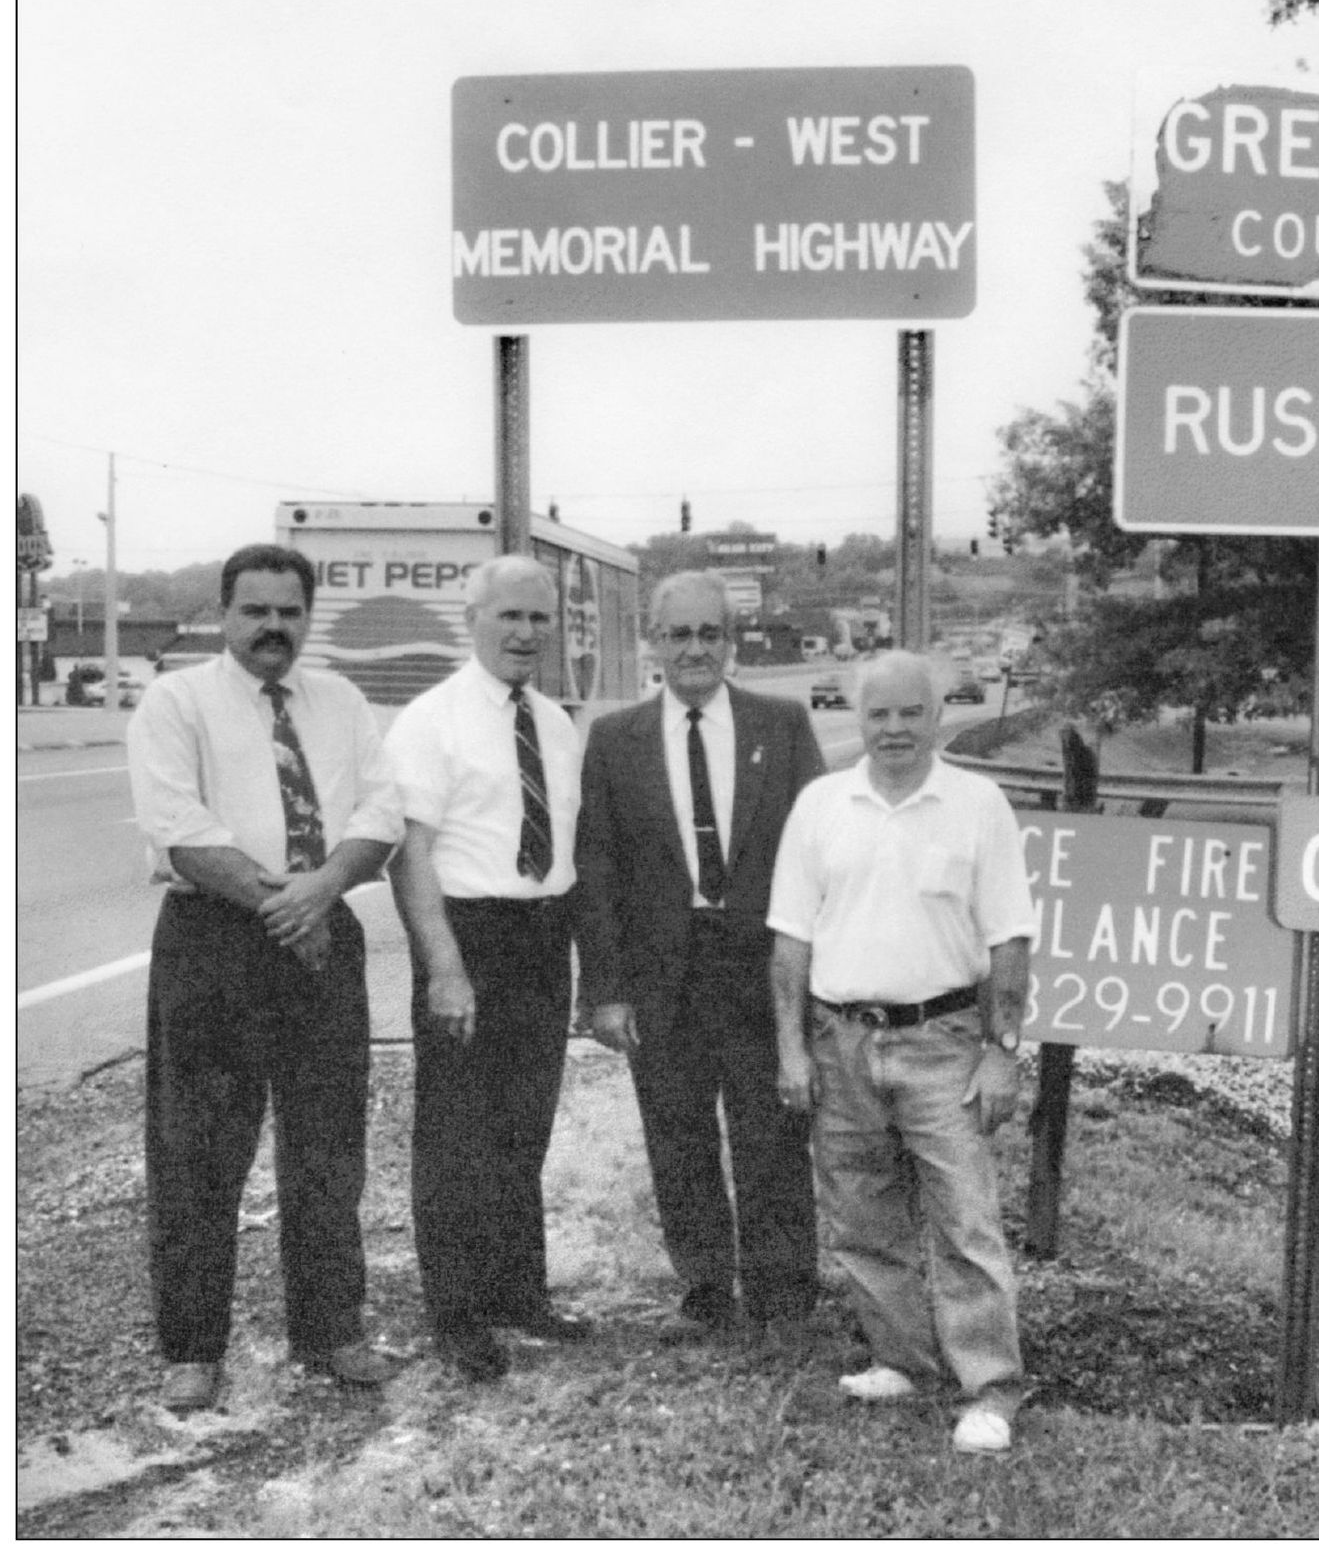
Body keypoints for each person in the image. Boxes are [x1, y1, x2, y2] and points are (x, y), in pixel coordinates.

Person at [127, 543, 403, 1413]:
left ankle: (330, 1330)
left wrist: (324, 889)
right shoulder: (176, 702)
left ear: (307, 617)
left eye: (289, 611)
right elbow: (181, 828)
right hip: (213, 943)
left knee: (327, 1149)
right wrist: (288, 911)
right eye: (256, 610)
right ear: (223, 613)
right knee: (198, 1153)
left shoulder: (342, 702)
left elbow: (380, 811)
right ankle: (193, 1349)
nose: (273, 627)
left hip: (323, 928)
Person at [767, 650, 1036, 1454]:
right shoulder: (820, 804)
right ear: (858, 717)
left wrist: (1002, 1051)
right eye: (877, 713)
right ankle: (900, 1359)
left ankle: (989, 1389)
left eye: (909, 713)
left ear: (937, 713)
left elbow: (1009, 940)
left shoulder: (978, 803)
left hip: (943, 1043)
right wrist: (792, 1050)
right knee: (860, 1218)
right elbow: (789, 943)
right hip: (839, 1039)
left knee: (965, 1223)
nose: (893, 729)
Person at [575, 571, 824, 1339]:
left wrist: (817, 976)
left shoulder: (780, 726)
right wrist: (605, 991)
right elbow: (598, 868)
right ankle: (707, 1289)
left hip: (760, 966)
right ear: (654, 641)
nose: (694, 650)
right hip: (663, 973)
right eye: (678, 635)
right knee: (677, 1134)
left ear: (731, 640)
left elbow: (818, 851)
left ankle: (782, 1294)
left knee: (771, 1132)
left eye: (708, 634)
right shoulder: (615, 739)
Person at [384, 555, 592, 1382]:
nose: (524, 632)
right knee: (456, 1138)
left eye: (538, 619)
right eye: (508, 616)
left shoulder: (557, 722)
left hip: (543, 940)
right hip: (468, 939)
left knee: (523, 1127)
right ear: (472, 618)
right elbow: (411, 856)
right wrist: (444, 969)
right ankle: (458, 1316)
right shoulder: (429, 721)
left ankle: (518, 1294)